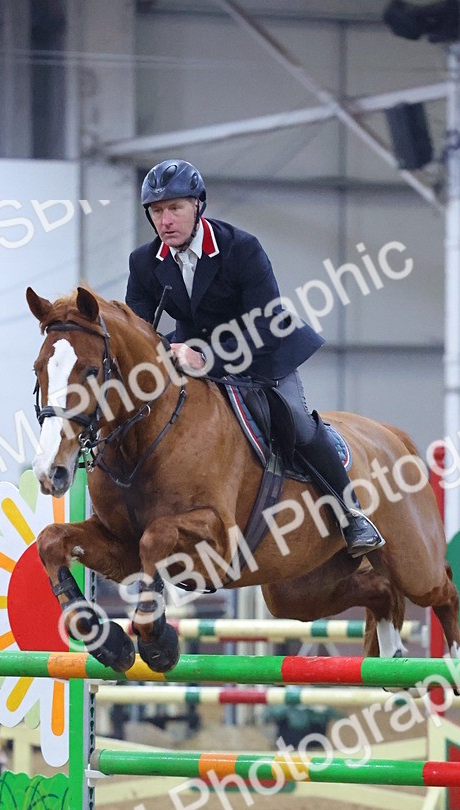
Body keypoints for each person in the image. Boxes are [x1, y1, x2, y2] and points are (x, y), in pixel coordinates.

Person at [125, 159, 384, 556]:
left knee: (295, 423)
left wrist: (205, 358)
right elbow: (139, 329)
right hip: (191, 352)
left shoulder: (241, 248)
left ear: (198, 206)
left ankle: (352, 515)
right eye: (157, 211)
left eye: (175, 208)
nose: (165, 220)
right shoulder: (144, 262)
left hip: (263, 352)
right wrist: (165, 352)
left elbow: (265, 326)